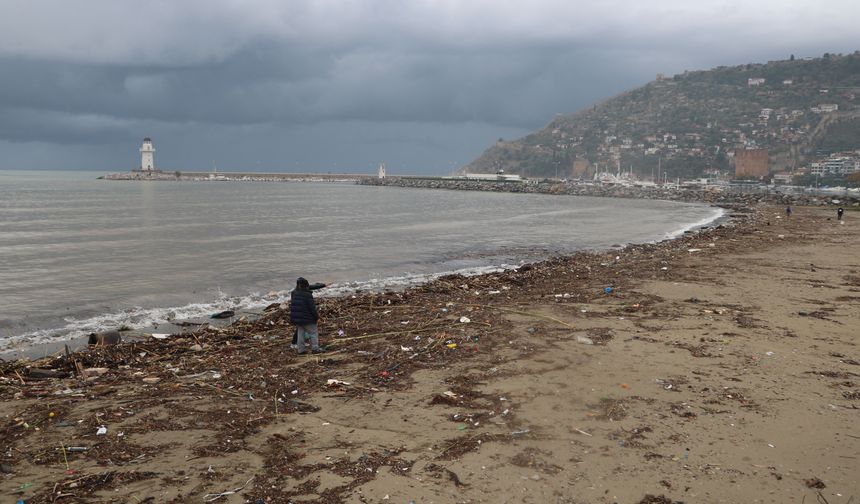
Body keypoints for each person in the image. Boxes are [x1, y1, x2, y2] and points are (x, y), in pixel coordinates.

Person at [289, 277, 323, 354]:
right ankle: (315, 348)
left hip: (297, 318)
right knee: (313, 332)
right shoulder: (307, 294)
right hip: (307, 318)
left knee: (300, 333)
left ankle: (301, 350)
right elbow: (312, 308)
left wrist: (322, 285)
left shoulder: (294, 293)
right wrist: (317, 317)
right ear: (306, 285)